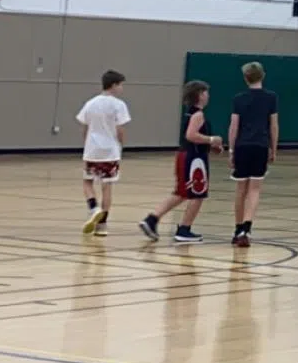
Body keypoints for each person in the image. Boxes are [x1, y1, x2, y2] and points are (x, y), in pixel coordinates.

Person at [140, 80, 224, 243]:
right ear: (200, 95)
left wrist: (211, 145)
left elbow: (194, 138)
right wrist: (213, 139)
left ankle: (151, 220)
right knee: (198, 195)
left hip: (185, 155)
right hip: (194, 158)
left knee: (181, 193)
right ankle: (184, 229)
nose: (208, 96)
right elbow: (191, 135)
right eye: (206, 92)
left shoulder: (189, 113)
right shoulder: (198, 115)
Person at [227, 61, 279, 248]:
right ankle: (247, 229)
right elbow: (273, 125)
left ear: (245, 78)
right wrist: (274, 147)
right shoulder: (271, 97)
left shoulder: (239, 98)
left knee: (241, 189)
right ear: (262, 75)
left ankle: (238, 228)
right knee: (255, 189)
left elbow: (234, 126)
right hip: (260, 145)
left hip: (242, 146)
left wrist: (231, 150)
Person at [75, 70, 131, 236]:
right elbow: (120, 129)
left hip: (92, 150)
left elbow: (85, 127)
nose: (122, 88)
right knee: (107, 187)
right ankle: (102, 226)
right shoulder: (118, 105)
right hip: (110, 151)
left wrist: (86, 145)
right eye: (121, 85)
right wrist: (122, 145)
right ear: (113, 85)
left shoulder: (90, 103)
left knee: (87, 182)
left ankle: (93, 207)